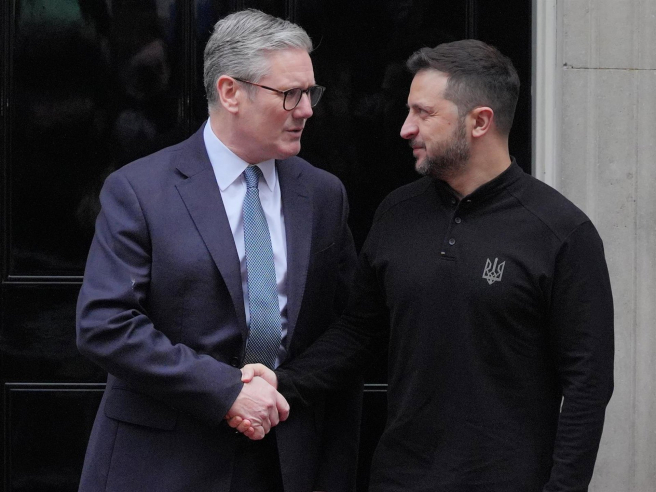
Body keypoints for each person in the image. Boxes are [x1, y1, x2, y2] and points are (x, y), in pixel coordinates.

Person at [235, 39, 615, 492]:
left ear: (480, 122)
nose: (405, 128)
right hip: (399, 477)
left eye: (423, 113)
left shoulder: (561, 233)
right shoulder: (398, 213)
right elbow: (359, 333)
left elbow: (588, 385)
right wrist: (282, 383)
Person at [76, 9, 360, 492]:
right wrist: (228, 392)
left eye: (310, 93)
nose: (307, 110)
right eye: (290, 94)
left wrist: (286, 389)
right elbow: (105, 324)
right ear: (230, 92)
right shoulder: (140, 190)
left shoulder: (322, 194)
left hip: (285, 458)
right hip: (164, 461)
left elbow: (345, 325)